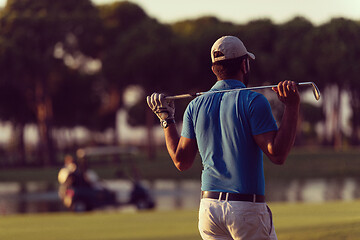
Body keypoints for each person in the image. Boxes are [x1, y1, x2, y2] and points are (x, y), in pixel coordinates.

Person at [147, 35, 300, 240]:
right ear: (245, 65)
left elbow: (181, 161)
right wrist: (292, 106)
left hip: (209, 210)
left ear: (214, 69)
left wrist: (166, 119)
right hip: (245, 208)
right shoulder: (253, 101)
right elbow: (278, 154)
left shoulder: (195, 105)